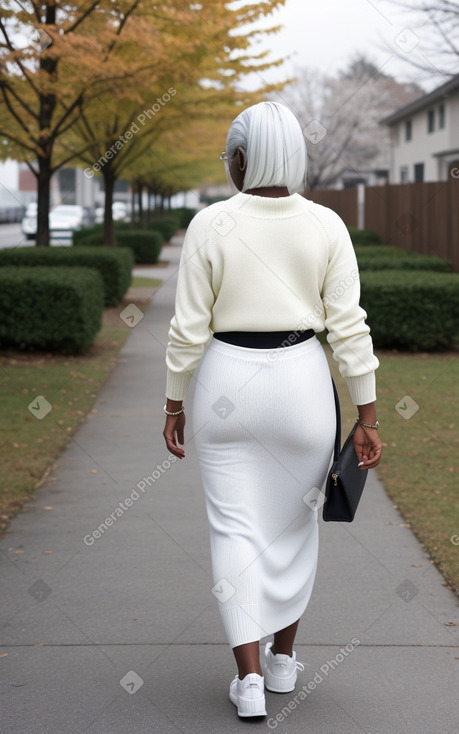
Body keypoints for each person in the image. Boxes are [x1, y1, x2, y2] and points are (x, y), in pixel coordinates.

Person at [163, 101, 382, 719]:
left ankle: (249, 681)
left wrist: (174, 401)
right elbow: (350, 331)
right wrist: (366, 417)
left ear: (240, 159)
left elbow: (186, 330)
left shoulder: (210, 224)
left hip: (227, 383)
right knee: (293, 527)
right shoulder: (327, 226)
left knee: (235, 529)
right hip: (303, 384)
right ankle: (283, 663)